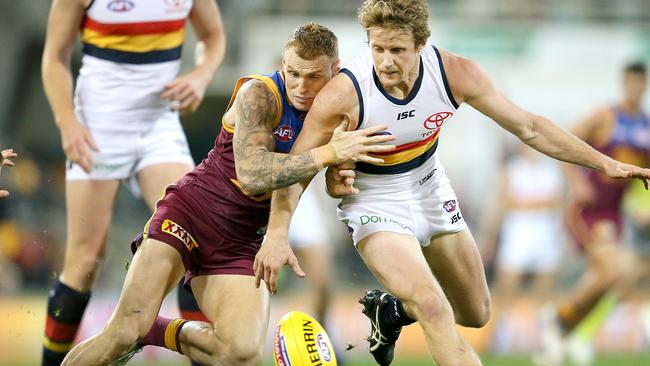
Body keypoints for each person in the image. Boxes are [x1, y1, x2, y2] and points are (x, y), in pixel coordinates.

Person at [252, 1, 650, 365]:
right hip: (375, 202)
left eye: (398, 50)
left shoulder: (454, 73)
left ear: (422, 44)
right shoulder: (345, 92)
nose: (386, 62)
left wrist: (603, 163)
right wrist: (277, 234)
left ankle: (391, 311)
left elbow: (529, 127)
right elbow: (297, 168)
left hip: (431, 188)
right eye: (378, 49)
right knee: (434, 307)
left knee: (476, 312)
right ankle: (412, 306)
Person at [61, 23, 394, 366]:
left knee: (241, 353)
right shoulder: (260, 95)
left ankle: (155, 330)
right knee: (122, 332)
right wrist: (327, 155)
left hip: (242, 238)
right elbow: (251, 176)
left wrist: (340, 178)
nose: (300, 86)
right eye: (292, 73)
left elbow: (328, 179)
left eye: (312, 77)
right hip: (190, 214)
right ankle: (138, 328)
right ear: (283, 64)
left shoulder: (338, 111)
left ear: (334, 70)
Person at [40, 0, 225, 364]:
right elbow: (54, 58)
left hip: (158, 123)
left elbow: (214, 35)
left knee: (196, 241)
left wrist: (201, 75)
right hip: (97, 127)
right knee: (85, 260)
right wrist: (67, 123)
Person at [537, 61, 650, 366]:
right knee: (613, 271)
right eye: (631, 82)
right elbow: (564, 142)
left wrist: (642, 208)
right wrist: (575, 182)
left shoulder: (645, 126)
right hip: (587, 208)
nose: (635, 88)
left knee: (611, 275)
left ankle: (561, 323)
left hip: (613, 212)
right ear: (624, 83)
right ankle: (561, 322)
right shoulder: (605, 116)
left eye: (640, 83)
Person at [479, 143, 564, 353]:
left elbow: (557, 201)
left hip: (545, 235)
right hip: (518, 235)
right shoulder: (513, 170)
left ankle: (546, 337)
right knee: (507, 285)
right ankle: (499, 334)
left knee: (545, 289)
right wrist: (490, 236)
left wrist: (524, 203)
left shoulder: (551, 170)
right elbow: (504, 201)